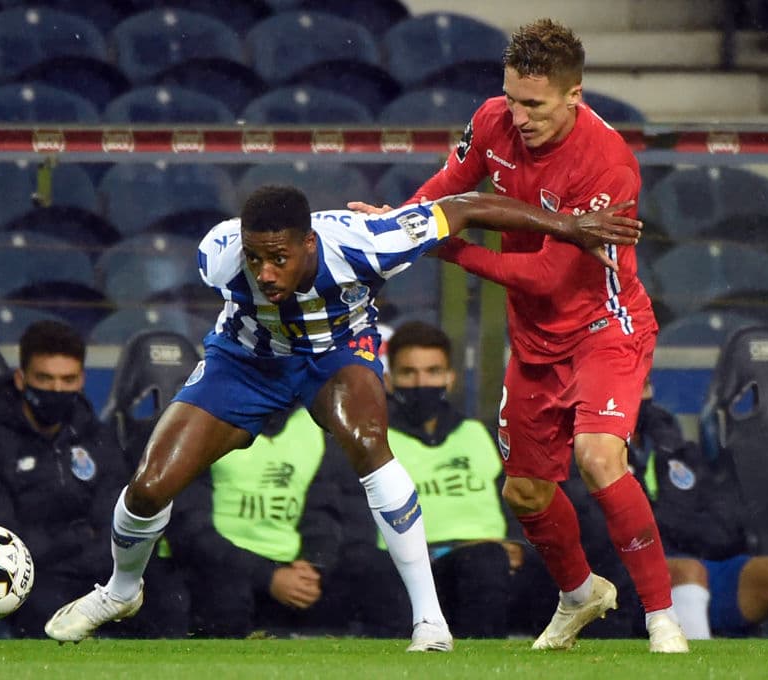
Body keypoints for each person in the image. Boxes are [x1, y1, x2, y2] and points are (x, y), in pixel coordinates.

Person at [43, 183, 643, 650]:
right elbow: (243, 270)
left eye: (278, 258)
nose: (265, 272)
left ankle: (430, 621)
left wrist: (568, 226)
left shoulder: (368, 241)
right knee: (150, 485)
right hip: (245, 363)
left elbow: (465, 207)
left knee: (368, 441)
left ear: (309, 244)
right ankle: (120, 590)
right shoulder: (219, 255)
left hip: (335, 356)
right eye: (256, 259)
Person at [349, 18, 686, 653]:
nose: (519, 116)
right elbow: (446, 190)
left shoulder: (608, 164)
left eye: (534, 104)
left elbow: (544, 275)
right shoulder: (491, 120)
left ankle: (661, 618)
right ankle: (579, 594)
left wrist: (442, 248)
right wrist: (404, 225)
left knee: (598, 458)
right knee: (525, 491)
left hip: (604, 327)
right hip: (533, 338)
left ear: (573, 95)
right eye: (512, 99)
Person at [0, 320, 189, 638]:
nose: (57, 390)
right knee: (44, 607)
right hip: (35, 577)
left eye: (68, 379)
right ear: (21, 379)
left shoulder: (95, 434)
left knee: (169, 598)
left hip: (99, 569)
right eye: (45, 379)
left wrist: (91, 550)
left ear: (82, 380)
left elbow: (115, 510)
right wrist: (78, 538)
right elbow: (1, 534)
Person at [319, 320, 524, 638]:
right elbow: (354, 522)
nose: (421, 383)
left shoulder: (482, 436)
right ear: (388, 380)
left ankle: (483, 660)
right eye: (409, 373)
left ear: (450, 378)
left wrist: (517, 544)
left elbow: (517, 501)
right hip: (399, 567)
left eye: (433, 372)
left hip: (486, 563)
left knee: (486, 561)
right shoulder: (370, 441)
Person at [631, 380, 768, 640]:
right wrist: (678, 524)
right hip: (629, 580)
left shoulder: (675, 448)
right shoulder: (593, 454)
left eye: (647, 384)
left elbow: (725, 526)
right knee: (688, 571)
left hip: (702, 568)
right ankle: (691, 664)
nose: (644, 391)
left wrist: (668, 522)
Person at [164, 405, 349, 638]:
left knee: (357, 582)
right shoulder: (204, 418)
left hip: (290, 571)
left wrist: (313, 565)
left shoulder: (313, 426)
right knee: (226, 597)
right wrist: (268, 576)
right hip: (215, 569)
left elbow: (323, 513)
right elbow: (189, 528)